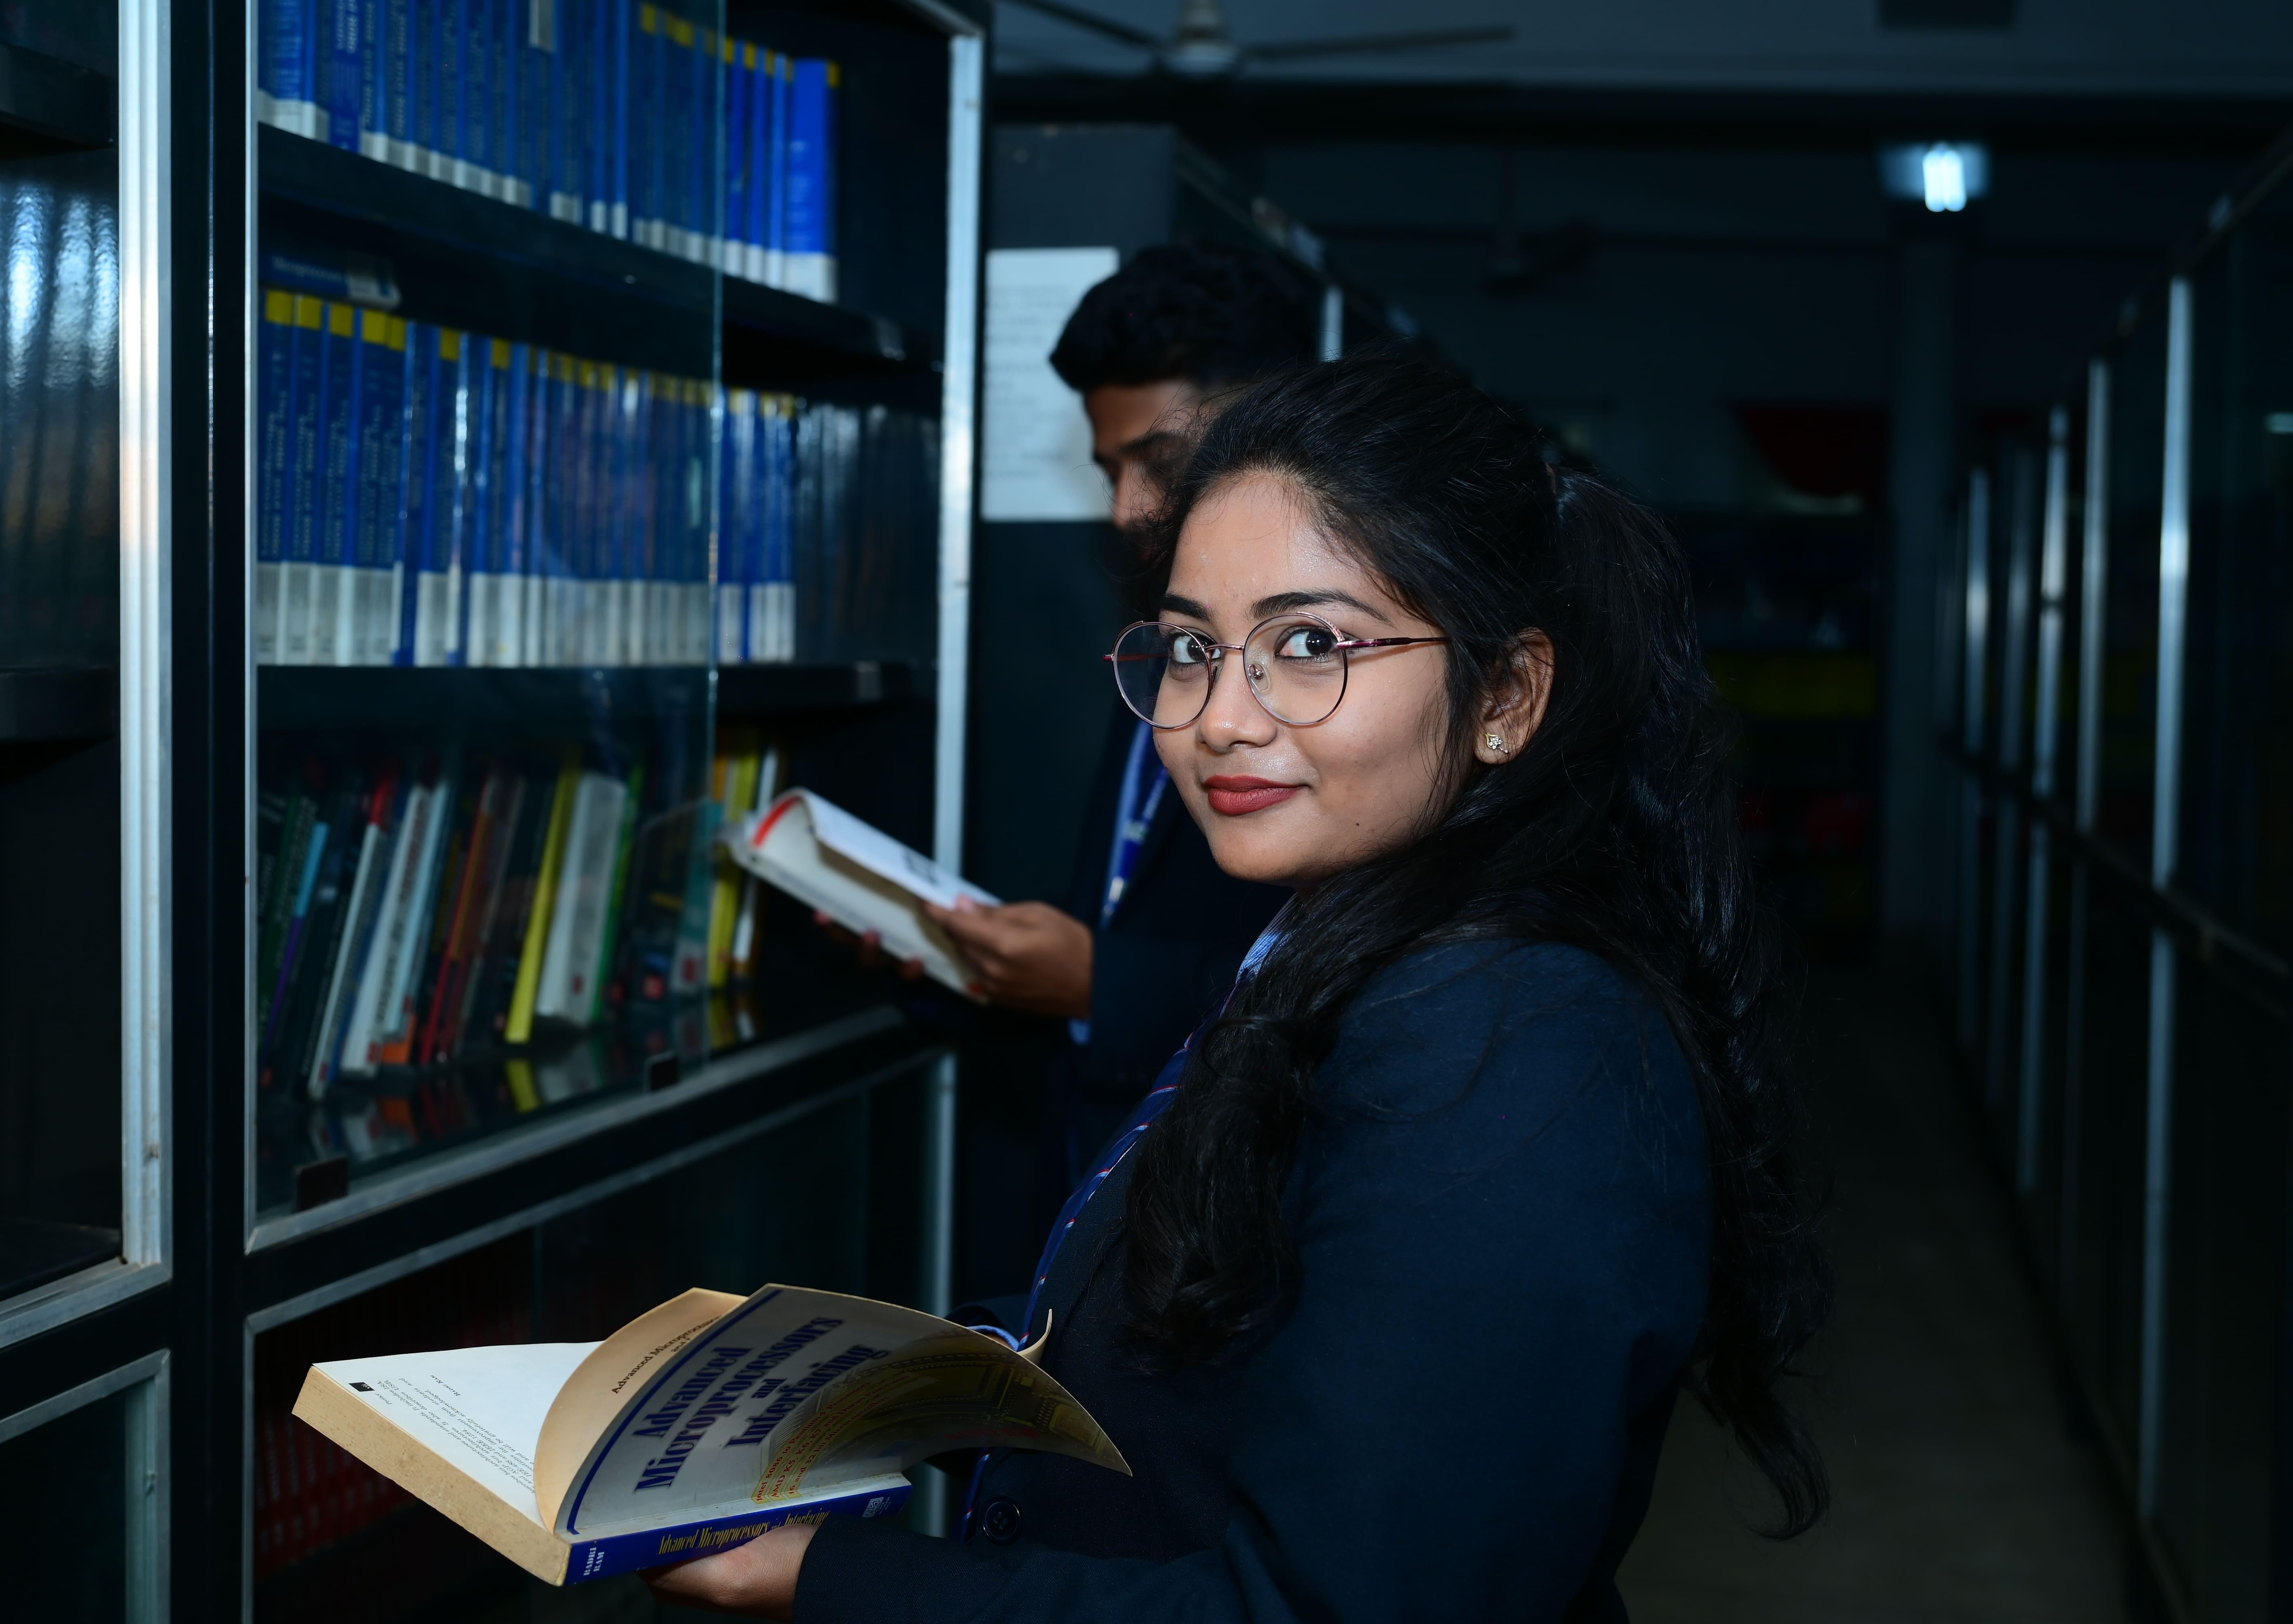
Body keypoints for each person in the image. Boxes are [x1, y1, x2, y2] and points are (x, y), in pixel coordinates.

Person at [652, 347, 1832, 1621]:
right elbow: (1231, 1301)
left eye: (1309, 642)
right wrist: (859, 1381)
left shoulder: (1509, 1033)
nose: (1221, 717)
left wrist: (836, 1577)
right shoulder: (1346, 934)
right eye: (1190, 649)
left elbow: (1339, 1608)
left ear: (1507, 696)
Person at [914, 243, 1305, 1197]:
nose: (1128, 508)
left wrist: (1102, 983)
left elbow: (1339, 975)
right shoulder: (1161, 640)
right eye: (1109, 468)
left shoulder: (1333, 672)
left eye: (1159, 462)